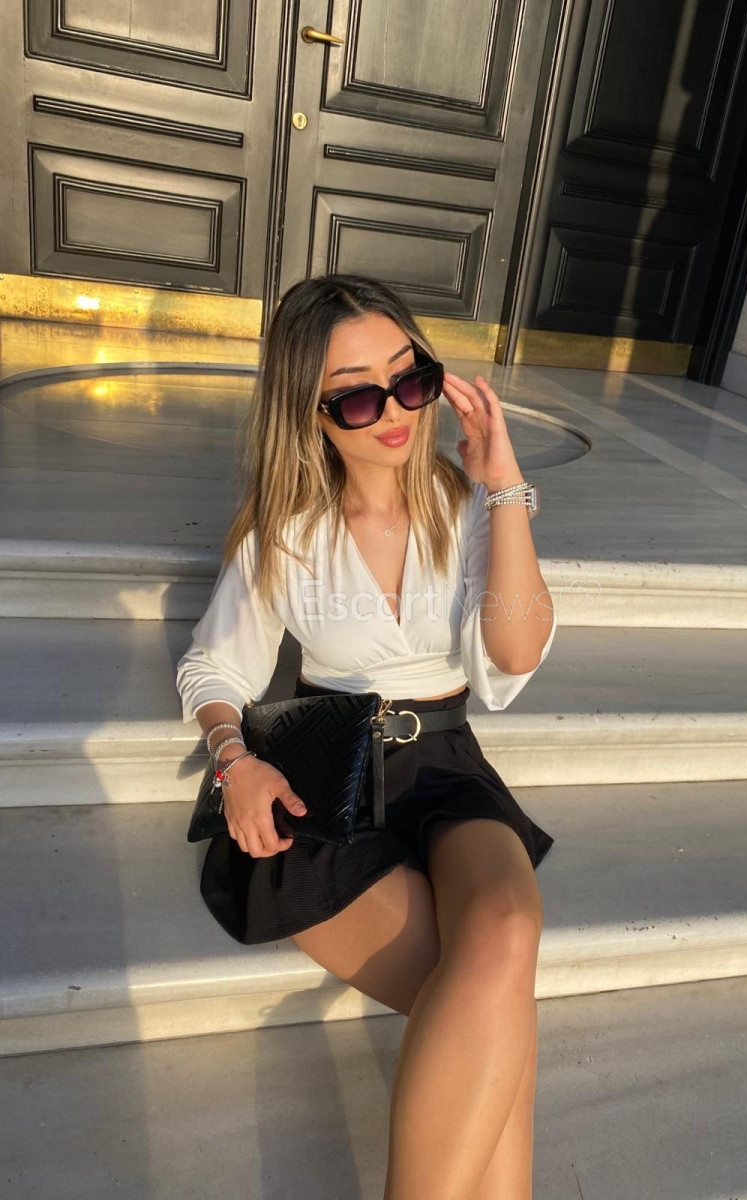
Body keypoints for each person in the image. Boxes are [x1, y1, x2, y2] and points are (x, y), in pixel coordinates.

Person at [175, 273, 558, 1200]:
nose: (393, 412)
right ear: (309, 413)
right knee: (491, 1013)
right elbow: (213, 669)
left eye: (410, 378)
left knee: (506, 929)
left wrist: (504, 487)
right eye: (356, 395)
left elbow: (512, 656)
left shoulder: (471, 511)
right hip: (329, 774)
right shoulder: (286, 535)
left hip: (449, 761)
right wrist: (234, 762)